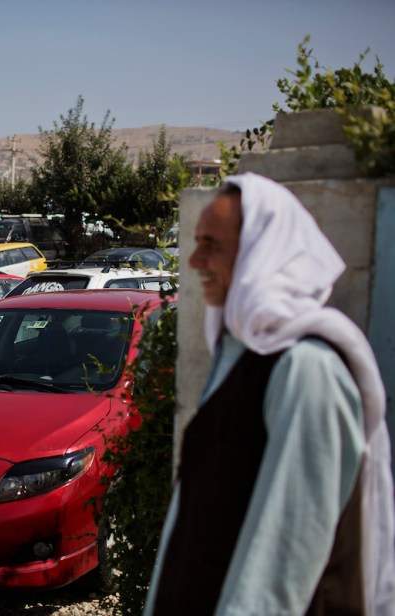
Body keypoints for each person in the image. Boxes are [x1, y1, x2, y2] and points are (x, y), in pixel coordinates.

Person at [144, 173, 395, 615]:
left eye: (213, 245)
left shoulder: (307, 370)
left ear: (264, 256)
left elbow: (281, 563)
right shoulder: (241, 357)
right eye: (196, 242)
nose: (195, 259)